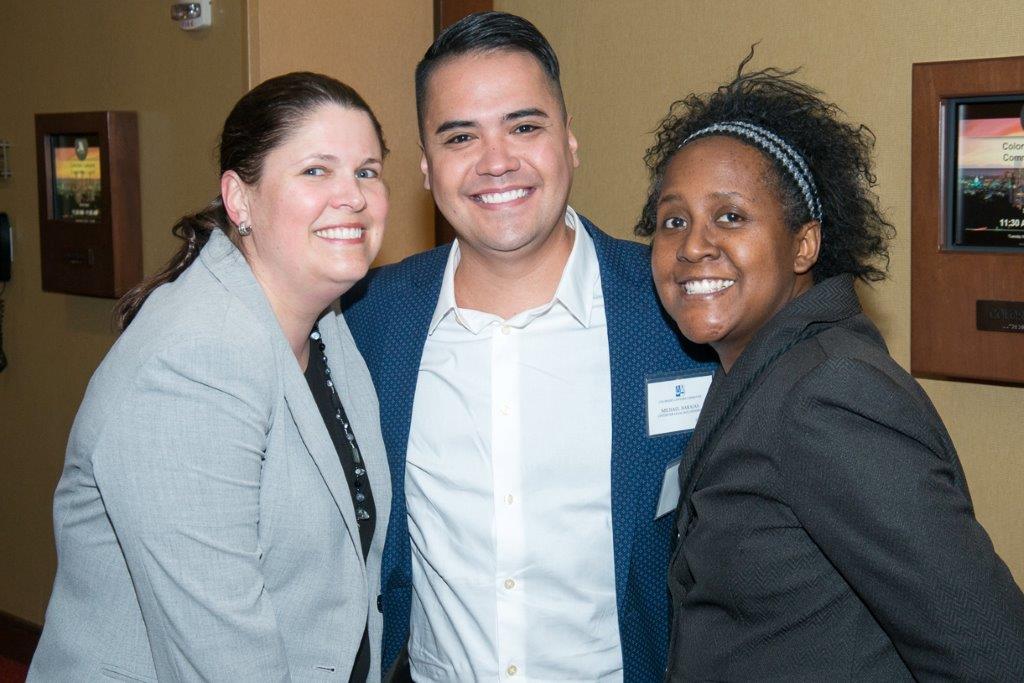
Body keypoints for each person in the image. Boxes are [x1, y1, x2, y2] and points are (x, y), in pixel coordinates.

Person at [342, 11, 714, 682]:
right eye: (461, 136)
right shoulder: (368, 319)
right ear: (426, 167)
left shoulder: (676, 305)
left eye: (524, 126)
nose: (496, 161)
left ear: (568, 141)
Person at [639, 59, 1024, 680]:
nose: (692, 245)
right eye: (673, 220)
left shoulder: (829, 394)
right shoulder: (764, 372)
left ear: (804, 245)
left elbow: (990, 651)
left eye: (730, 216)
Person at [29, 72, 391, 681]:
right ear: (239, 199)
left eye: (367, 171)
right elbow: (220, 658)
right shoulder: (194, 360)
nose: (351, 196)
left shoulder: (328, 322)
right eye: (315, 170)